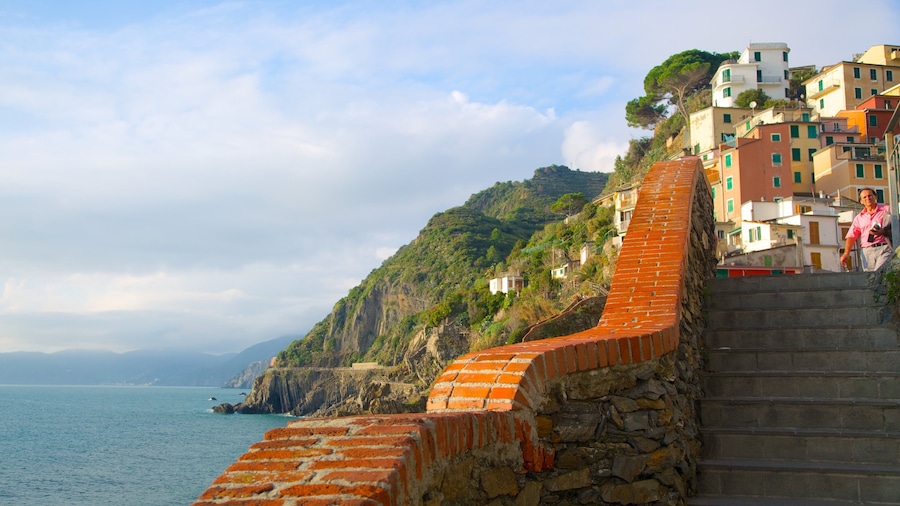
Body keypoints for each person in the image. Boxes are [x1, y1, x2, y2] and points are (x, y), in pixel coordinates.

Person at [840, 188, 893, 271]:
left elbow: (896, 226)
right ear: (861, 201)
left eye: (870, 195)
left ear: (875, 197)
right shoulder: (859, 218)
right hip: (866, 251)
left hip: (884, 247)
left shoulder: (887, 210)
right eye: (864, 197)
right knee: (870, 278)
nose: (868, 198)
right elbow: (851, 236)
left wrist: (883, 232)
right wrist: (846, 253)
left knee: (879, 272)